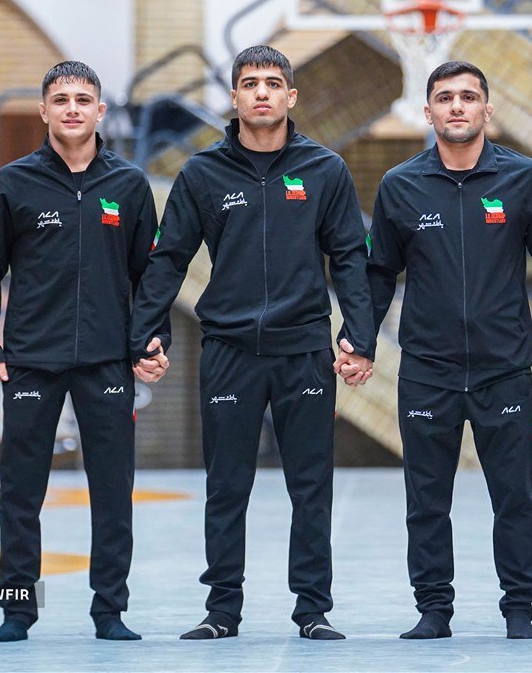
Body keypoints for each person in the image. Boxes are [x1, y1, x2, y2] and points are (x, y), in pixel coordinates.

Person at [129, 45, 375, 641]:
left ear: (291, 95)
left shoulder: (324, 170)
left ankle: (312, 609)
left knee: (310, 487)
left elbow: (349, 258)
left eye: (272, 83)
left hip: (304, 351)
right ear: (234, 97)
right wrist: (146, 333)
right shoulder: (202, 174)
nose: (261, 92)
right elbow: (168, 259)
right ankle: (222, 611)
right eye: (249, 83)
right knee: (226, 487)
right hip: (230, 351)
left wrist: (360, 336)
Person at [337, 61, 532, 640]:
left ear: (487, 109)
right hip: (427, 371)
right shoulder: (400, 185)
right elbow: (378, 273)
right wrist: (360, 343)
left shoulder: (525, 179)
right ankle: (434, 610)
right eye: (445, 97)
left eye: (468, 96)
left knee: (515, 498)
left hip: (504, 369)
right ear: (428, 111)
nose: (457, 106)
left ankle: (519, 609)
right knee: (427, 502)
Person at [0, 61, 166, 642]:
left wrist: (151, 341)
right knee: (20, 493)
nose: (72, 108)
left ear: (100, 111)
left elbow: (151, 277)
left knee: (112, 492)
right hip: (32, 360)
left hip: (107, 361)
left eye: (82, 99)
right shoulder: (12, 183)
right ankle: (16, 611)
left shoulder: (129, 186)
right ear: (44, 110)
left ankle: (110, 612)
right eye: (61, 99)